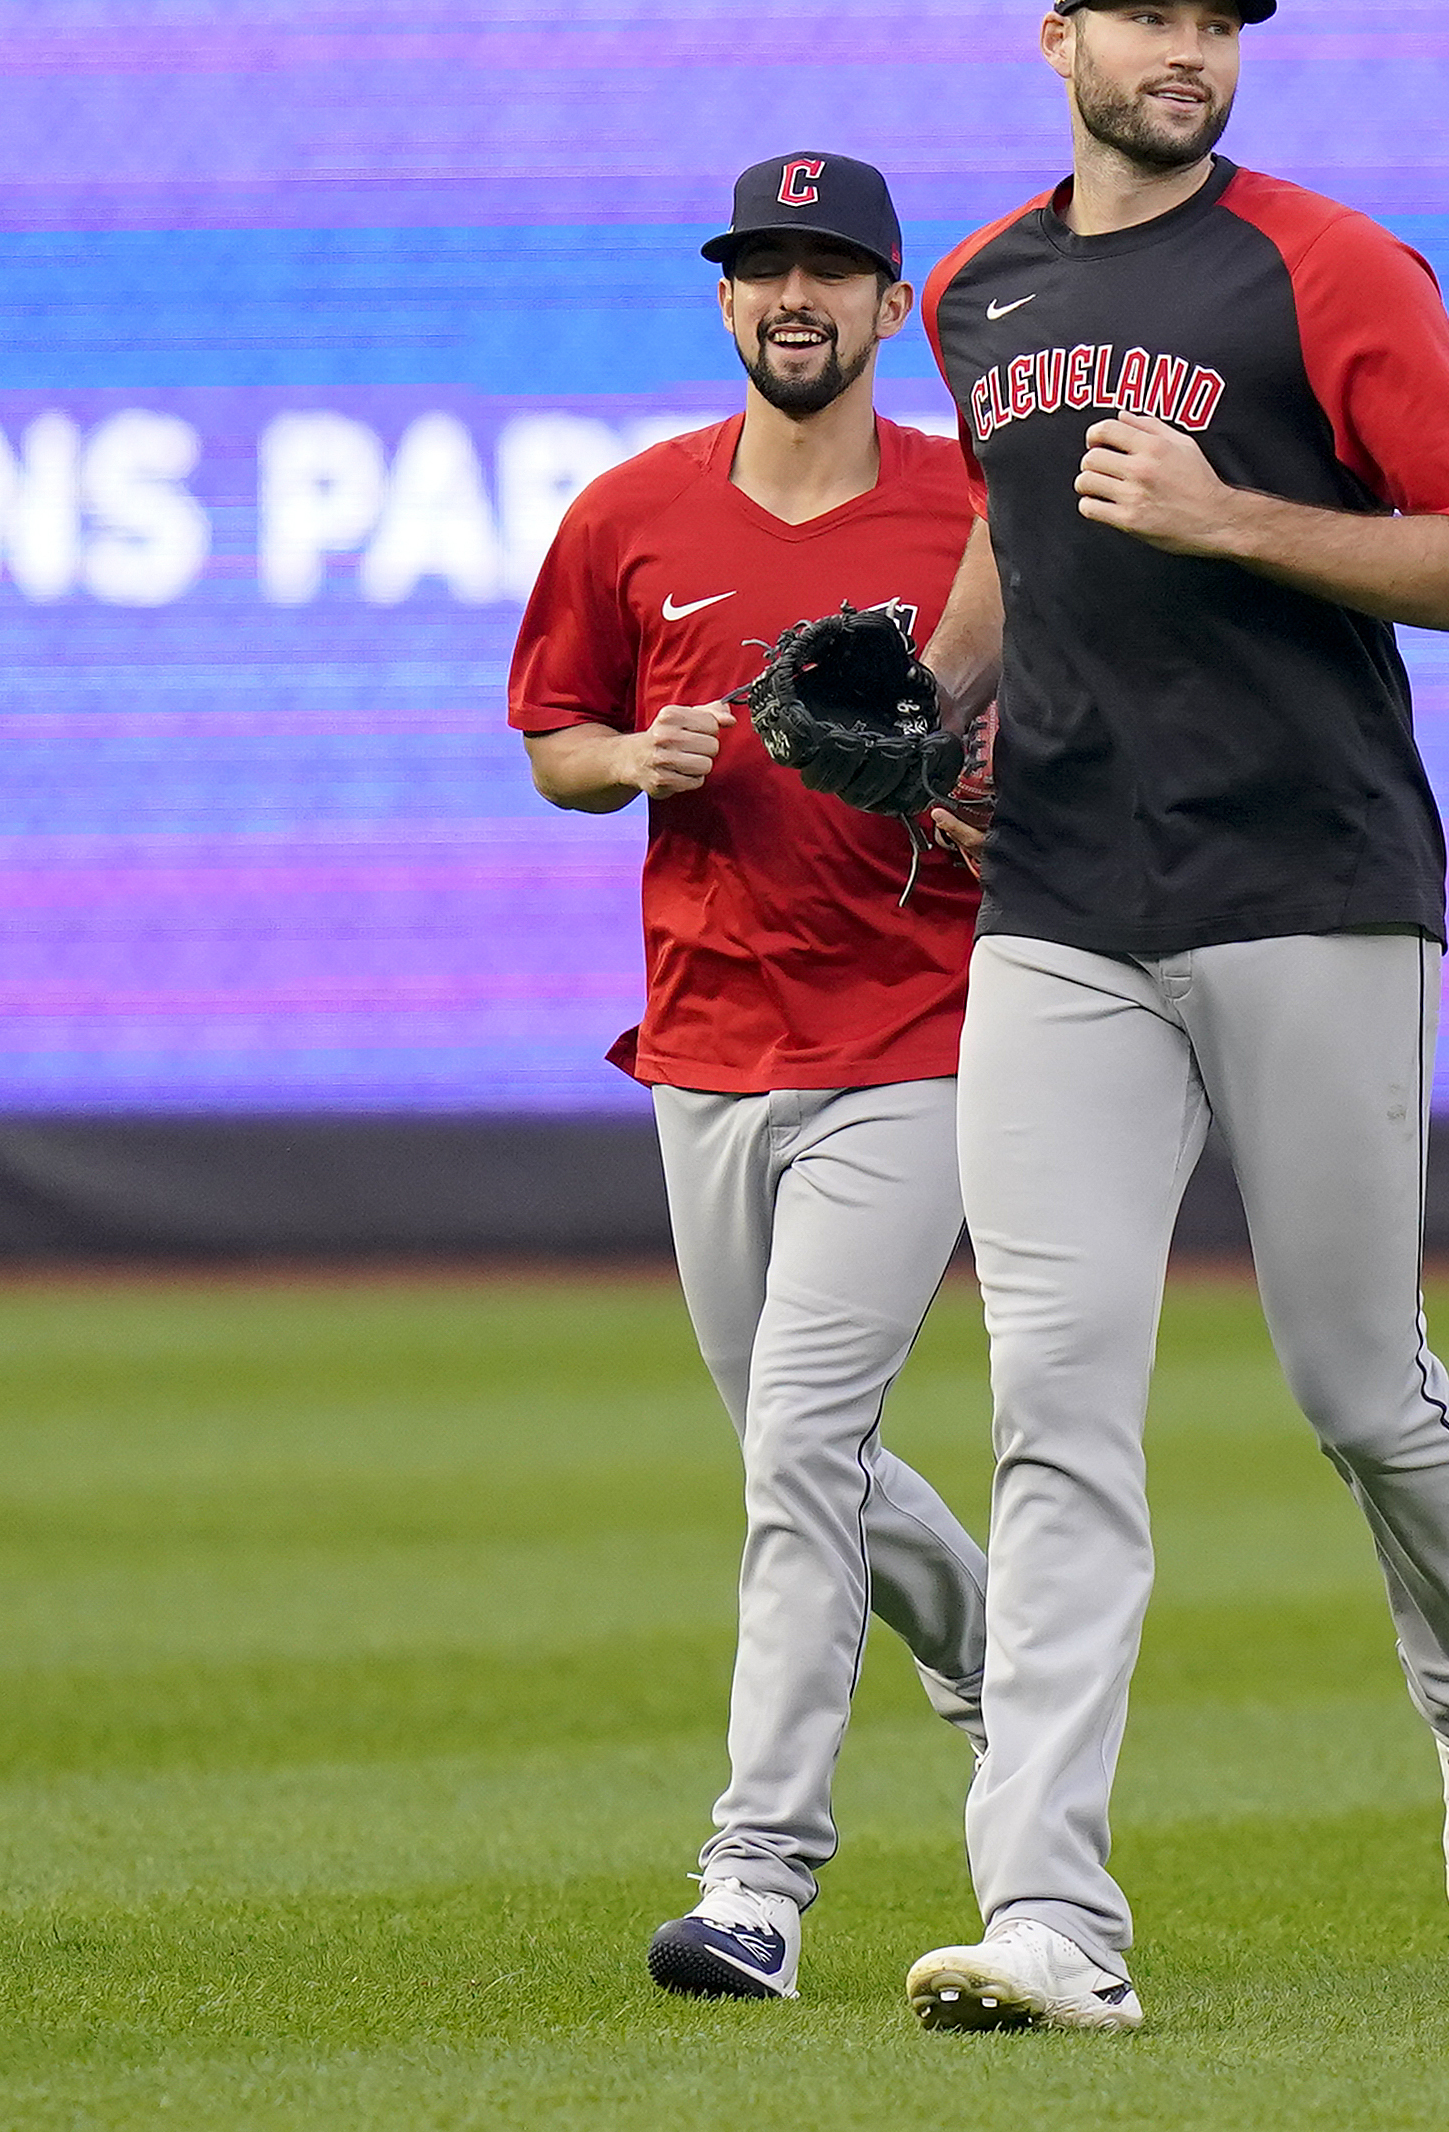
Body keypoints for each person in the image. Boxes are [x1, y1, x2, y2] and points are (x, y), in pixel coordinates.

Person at [892, 0, 1449, 2036]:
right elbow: (1014, 521)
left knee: (1354, 1381)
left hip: (1309, 877)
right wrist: (925, 706)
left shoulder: (1329, 268)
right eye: (1144, 13)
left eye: (1213, 19)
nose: (1184, 48)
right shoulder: (974, 285)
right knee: (1052, 1410)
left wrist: (1235, 517)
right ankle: (1049, 1915)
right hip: (1063, 900)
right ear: (1055, 36)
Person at [507, 154, 992, 2001]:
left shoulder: (973, 509)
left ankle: (757, 1884)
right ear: (727, 305)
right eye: (761, 269)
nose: (794, 297)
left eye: (831, 271)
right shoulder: (633, 512)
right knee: (807, 1449)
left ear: (888, 312)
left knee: (799, 1446)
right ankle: (1004, 1654)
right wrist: (640, 752)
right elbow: (552, 738)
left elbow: (1067, 729)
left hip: (915, 1031)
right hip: (705, 1039)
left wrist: (973, 781)